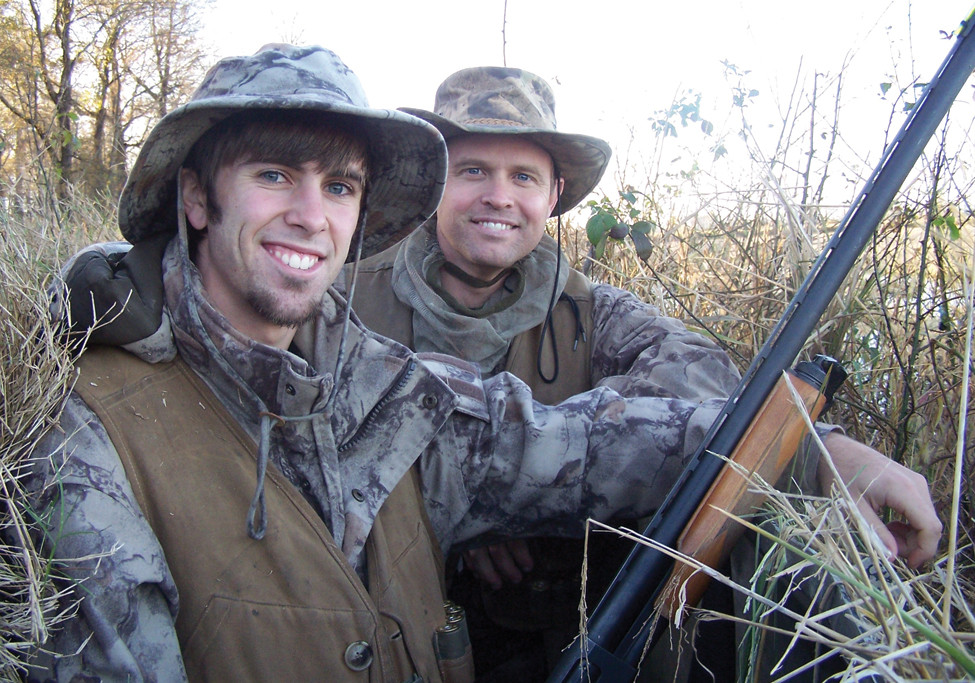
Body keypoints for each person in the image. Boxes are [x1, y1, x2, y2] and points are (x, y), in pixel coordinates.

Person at [46, 55, 941, 683]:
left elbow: (586, 442)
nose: (311, 215)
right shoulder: (88, 430)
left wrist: (819, 449)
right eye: (274, 175)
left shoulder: (384, 384)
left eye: (340, 186)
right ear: (196, 197)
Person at [338, 66, 944, 680]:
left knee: (767, 539)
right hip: (381, 621)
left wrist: (819, 448)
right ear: (437, 181)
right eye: (473, 171)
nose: (499, 196)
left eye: (523, 176)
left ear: (553, 195)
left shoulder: (591, 310)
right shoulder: (342, 297)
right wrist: (471, 513)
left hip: (549, 619)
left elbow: (703, 375)